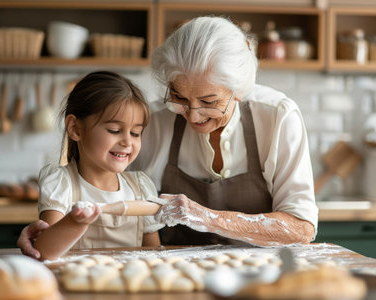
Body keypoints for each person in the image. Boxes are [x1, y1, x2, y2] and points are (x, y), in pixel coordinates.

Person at [19, 16, 317, 256]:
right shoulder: (156, 120)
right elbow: (106, 183)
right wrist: (48, 234)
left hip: (262, 276)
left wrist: (206, 217)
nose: (193, 115)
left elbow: (301, 228)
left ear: (238, 91)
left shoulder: (277, 116)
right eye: (179, 97)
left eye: (209, 102)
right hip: (177, 277)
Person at [26, 71, 164, 260]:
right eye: (114, 130)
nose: (127, 142)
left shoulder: (140, 187)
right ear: (75, 129)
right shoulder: (62, 184)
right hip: (75, 284)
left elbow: (154, 256)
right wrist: (75, 221)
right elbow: (44, 252)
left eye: (135, 133)